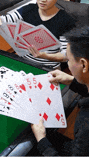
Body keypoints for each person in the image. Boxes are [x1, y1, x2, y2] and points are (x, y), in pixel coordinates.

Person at [0, 0, 76, 69]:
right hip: (24, 62)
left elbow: (66, 55)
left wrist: (44, 56)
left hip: (48, 68)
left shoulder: (66, 21)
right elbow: (5, 20)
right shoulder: (28, 9)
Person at [31, 25, 89, 156]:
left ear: (84, 64)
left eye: (68, 59)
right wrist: (71, 80)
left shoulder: (86, 126)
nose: (67, 64)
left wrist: (41, 140)